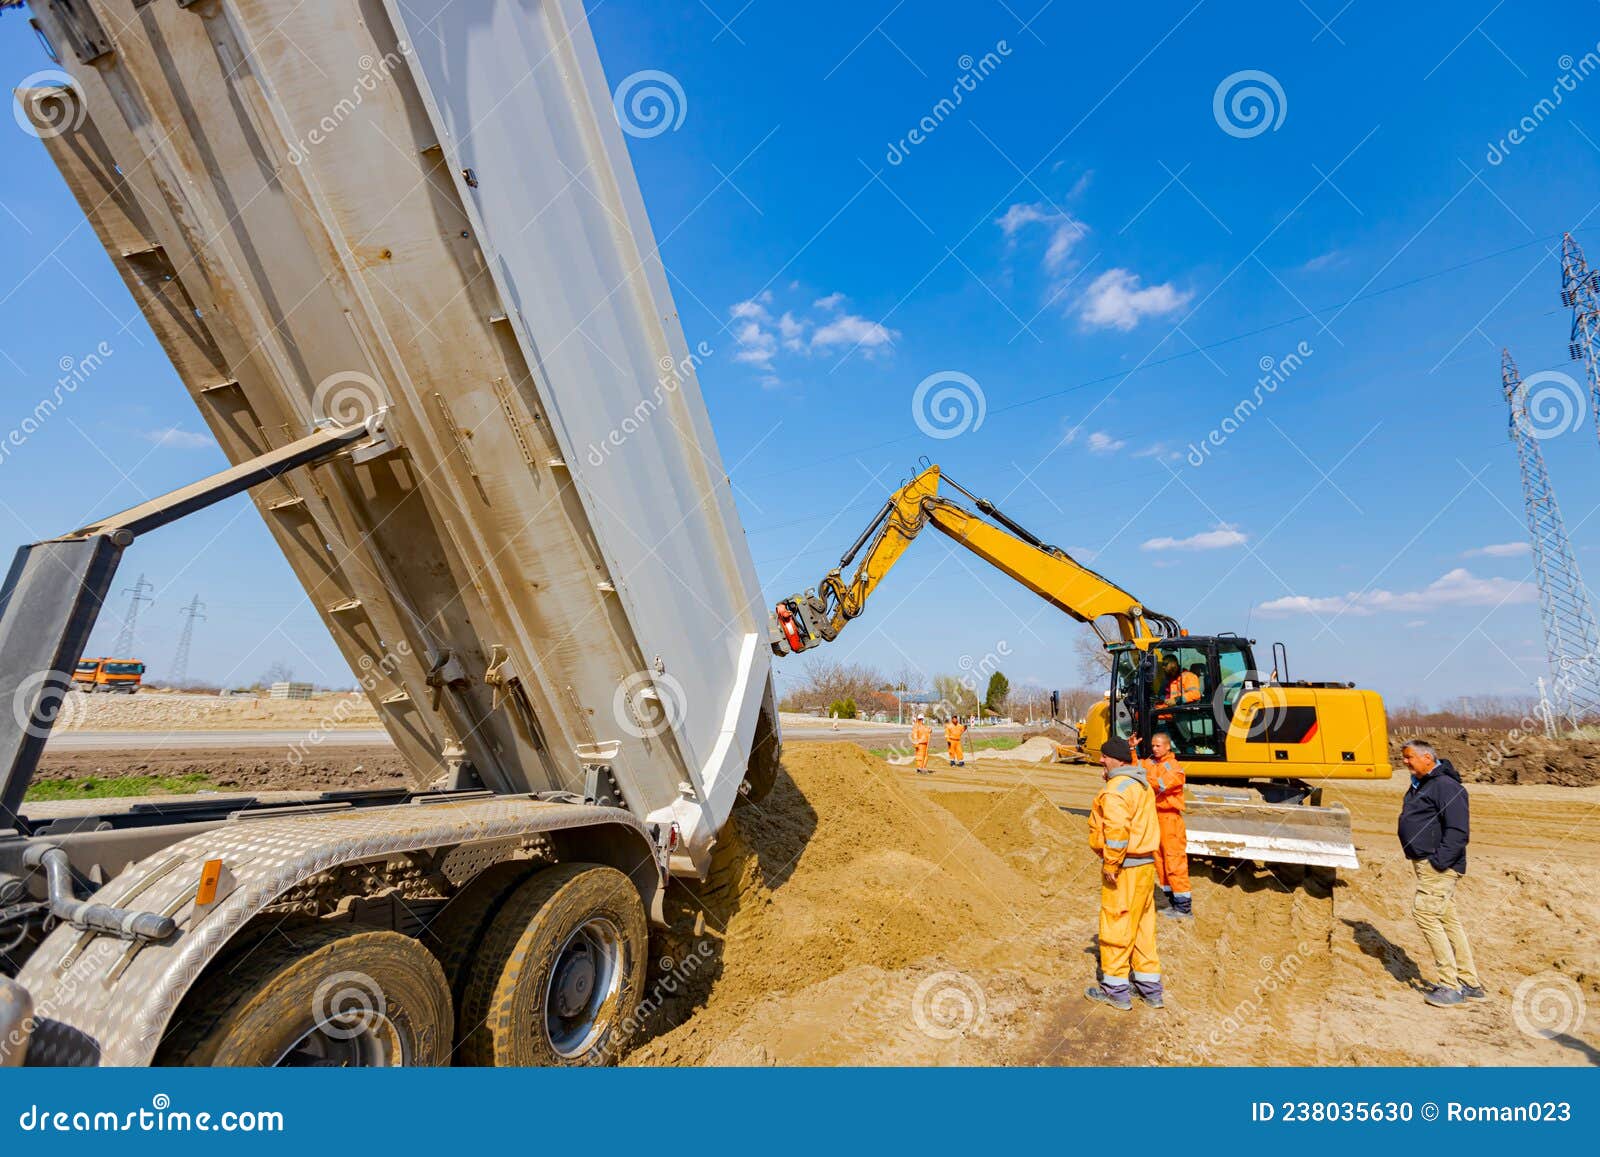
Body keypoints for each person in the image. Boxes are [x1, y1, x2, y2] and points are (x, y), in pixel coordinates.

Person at [1397, 740, 1484, 1007]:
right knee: (1448, 920)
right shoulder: (1423, 783)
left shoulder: (1446, 786)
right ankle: (1470, 983)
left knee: (1424, 914)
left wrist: (1438, 862)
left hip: (1438, 867)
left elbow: (1458, 831)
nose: (1405, 762)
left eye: (1409, 757)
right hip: (1428, 865)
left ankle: (1449, 986)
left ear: (1427, 758)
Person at [1085, 736, 1163, 1011]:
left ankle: (1116, 990)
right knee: (1142, 926)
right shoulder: (1140, 784)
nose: (1101, 761)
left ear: (1113, 759)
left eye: (1104, 757)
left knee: (1116, 925)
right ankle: (1150, 989)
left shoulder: (1116, 790)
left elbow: (1117, 833)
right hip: (1144, 866)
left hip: (1125, 868)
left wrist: (1111, 865)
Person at [1142, 731, 1192, 919]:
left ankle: (1184, 907)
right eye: (1153, 745)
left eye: (1158, 746)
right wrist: (1131, 748)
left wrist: (1144, 778)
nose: (1154, 749)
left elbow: (1163, 784)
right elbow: (1133, 766)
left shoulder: (1174, 766)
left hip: (1170, 819)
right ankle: (1173, 902)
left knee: (1174, 861)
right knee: (1160, 861)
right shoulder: (1151, 763)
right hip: (1156, 818)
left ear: (1167, 746)